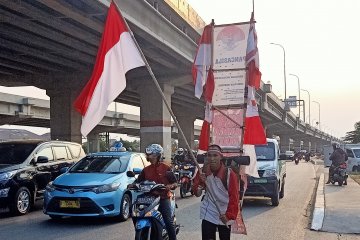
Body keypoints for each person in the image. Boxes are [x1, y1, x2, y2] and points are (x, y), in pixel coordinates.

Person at [128, 144, 178, 240]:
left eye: (149, 154)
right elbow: (138, 181)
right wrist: (132, 185)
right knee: (135, 213)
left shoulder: (166, 168)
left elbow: (175, 182)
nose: (147, 156)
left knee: (168, 220)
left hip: (163, 197)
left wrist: (170, 186)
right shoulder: (146, 170)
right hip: (147, 198)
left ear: (156, 155)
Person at [192, 144, 240, 240]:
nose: (212, 159)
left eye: (215, 155)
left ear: (220, 157)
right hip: (209, 211)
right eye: (209, 155)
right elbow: (197, 194)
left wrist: (228, 215)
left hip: (225, 211)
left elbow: (234, 197)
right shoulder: (203, 171)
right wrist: (200, 181)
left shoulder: (230, 174)